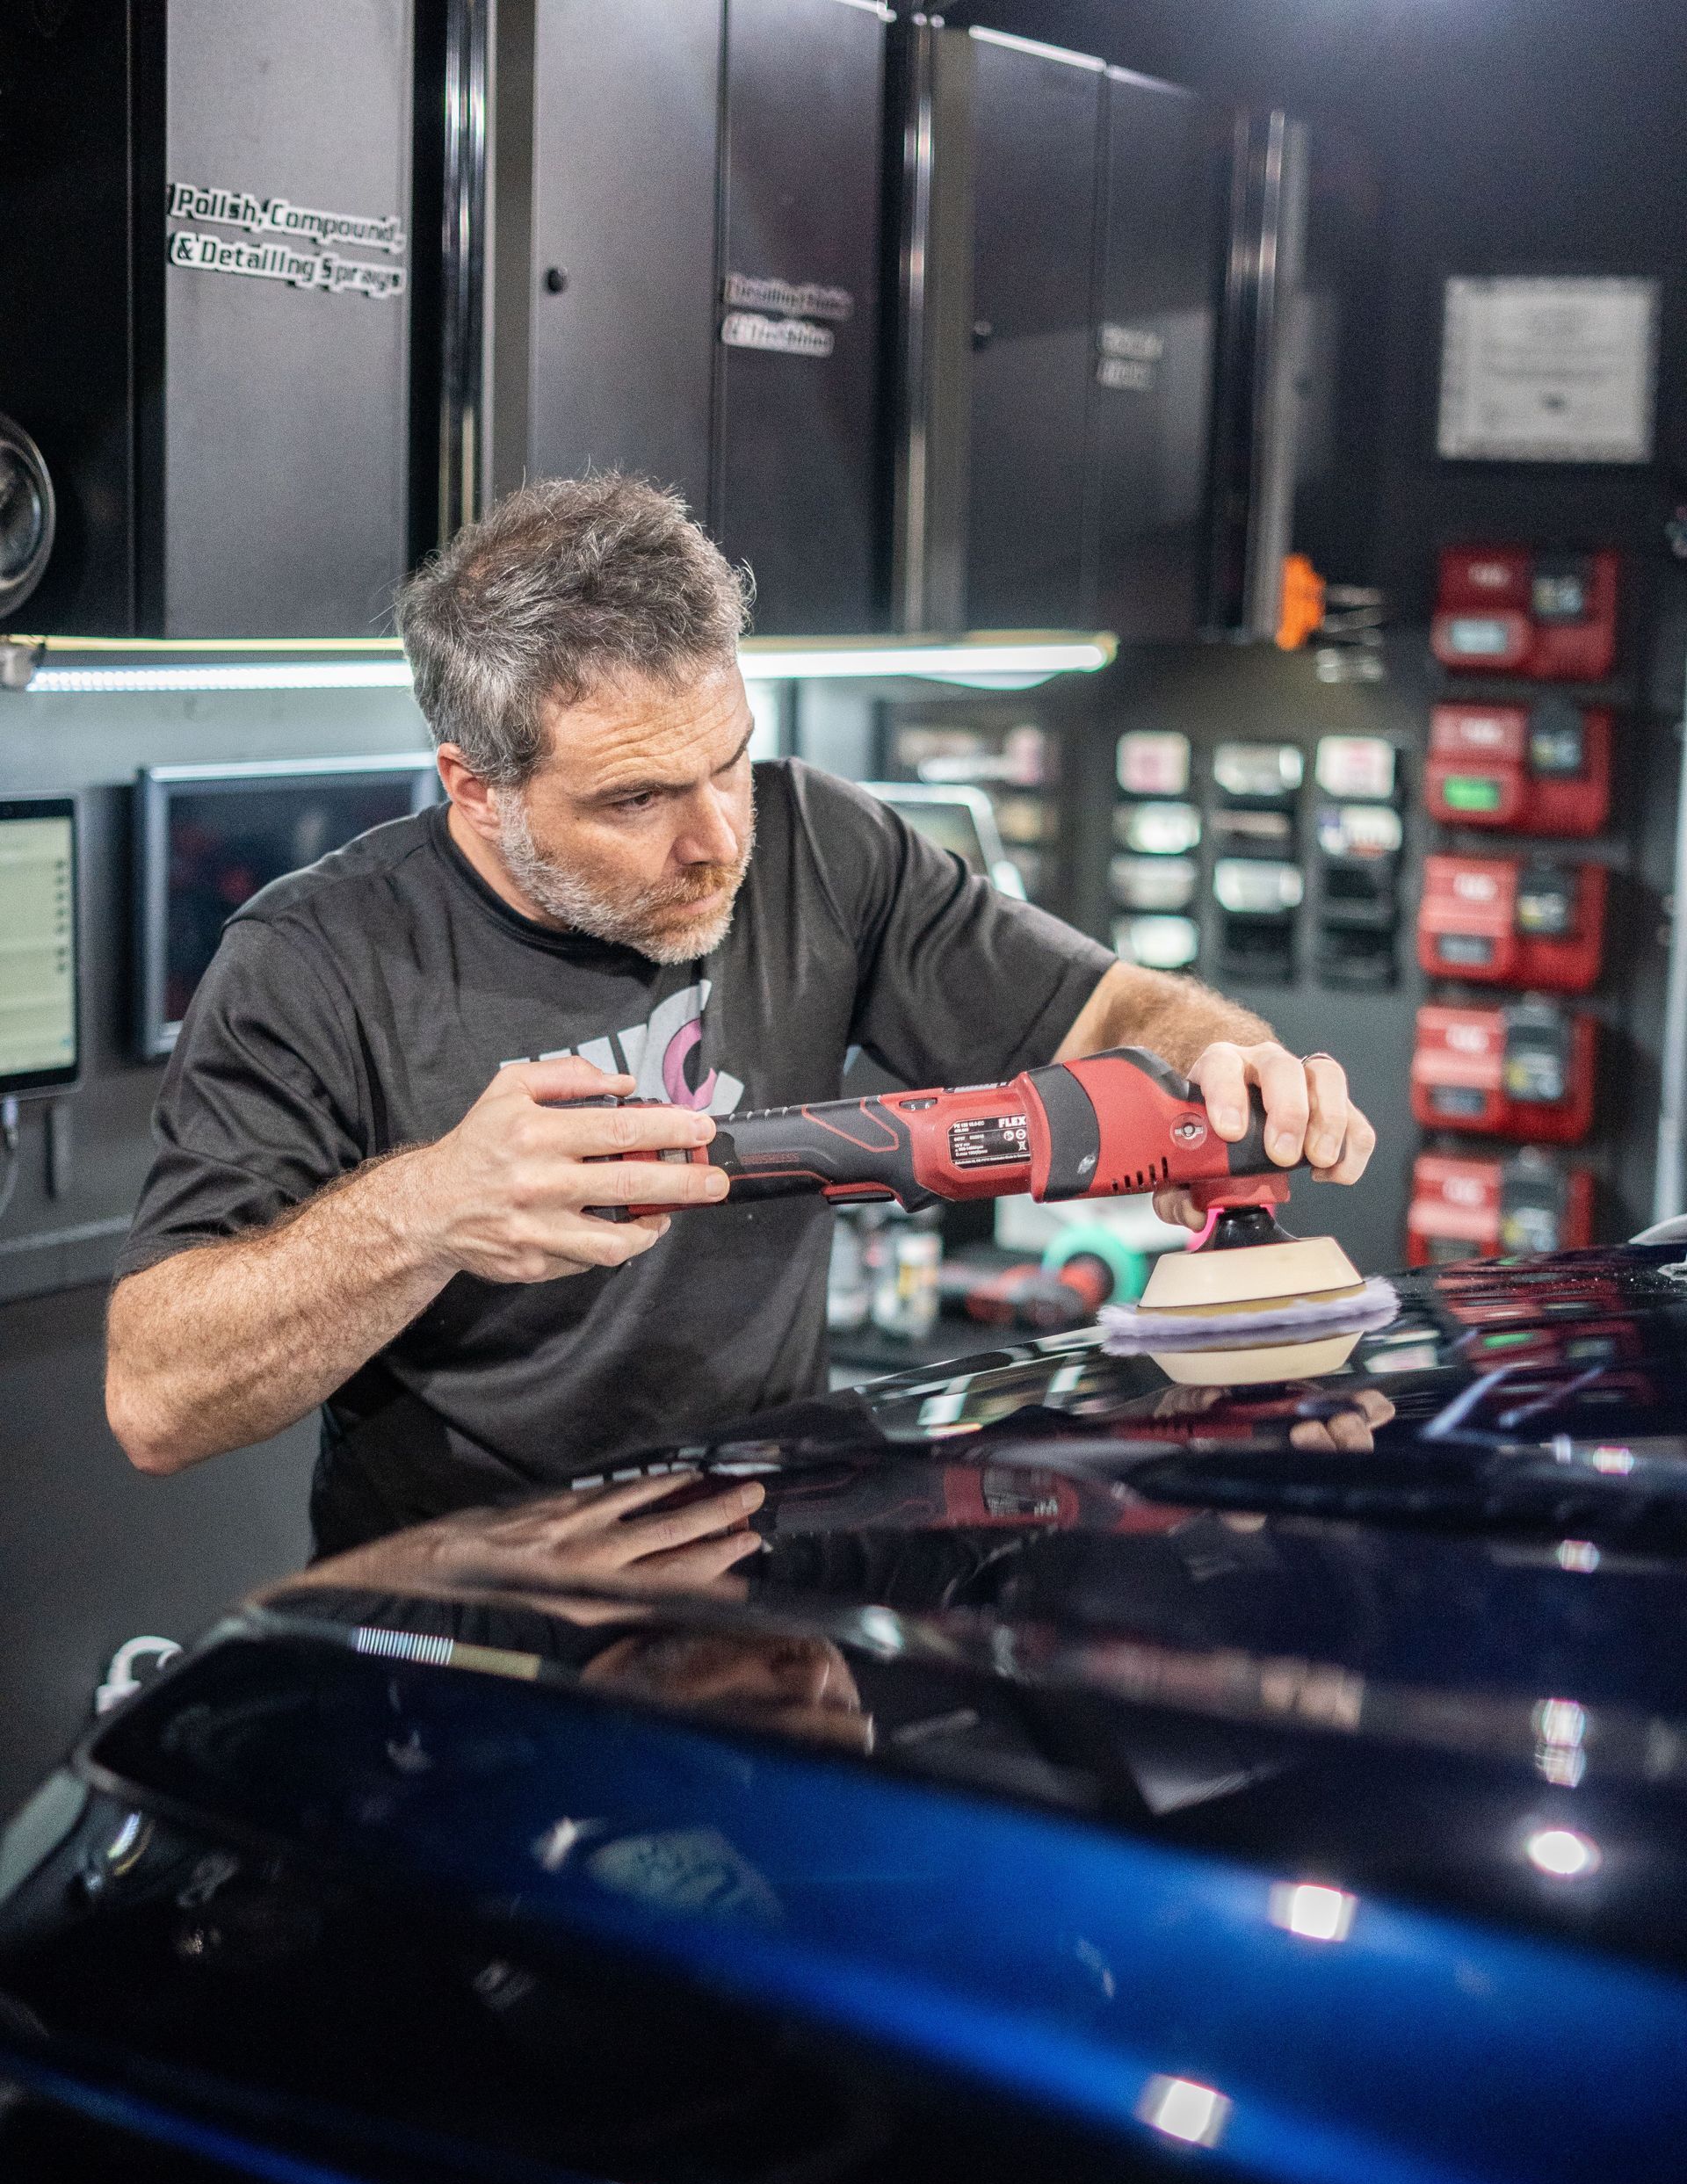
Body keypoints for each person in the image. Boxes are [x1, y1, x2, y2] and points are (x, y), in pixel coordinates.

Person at [105, 474, 1375, 1552]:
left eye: (729, 760)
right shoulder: (313, 961)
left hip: (769, 1567)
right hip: (476, 1616)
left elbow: (1101, 1011)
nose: (718, 841)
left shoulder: (820, 839)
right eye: (637, 800)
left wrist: (1234, 1065)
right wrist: (430, 1209)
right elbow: (158, 1397)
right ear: (476, 788)